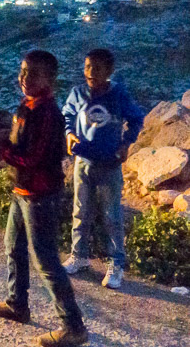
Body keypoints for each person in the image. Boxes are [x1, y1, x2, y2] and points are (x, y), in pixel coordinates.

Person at [0, 50, 88, 347]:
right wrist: (1, 140)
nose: (23, 77)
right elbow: (19, 142)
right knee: (12, 247)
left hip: (40, 195)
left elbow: (33, 157)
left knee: (45, 260)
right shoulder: (27, 106)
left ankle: (73, 325)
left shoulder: (48, 114)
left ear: (50, 79)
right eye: (22, 71)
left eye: (32, 73)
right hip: (22, 191)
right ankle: (18, 304)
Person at [61, 48, 145, 289]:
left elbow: (136, 118)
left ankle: (116, 263)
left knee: (111, 216)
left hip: (109, 164)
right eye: (87, 67)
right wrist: (69, 134)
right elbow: (67, 115)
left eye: (97, 68)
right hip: (83, 162)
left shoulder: (118, 95)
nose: (90, 72)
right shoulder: (77, 93)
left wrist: (126, 143)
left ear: (109, 71)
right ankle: (79, 256)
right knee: (80, 211)